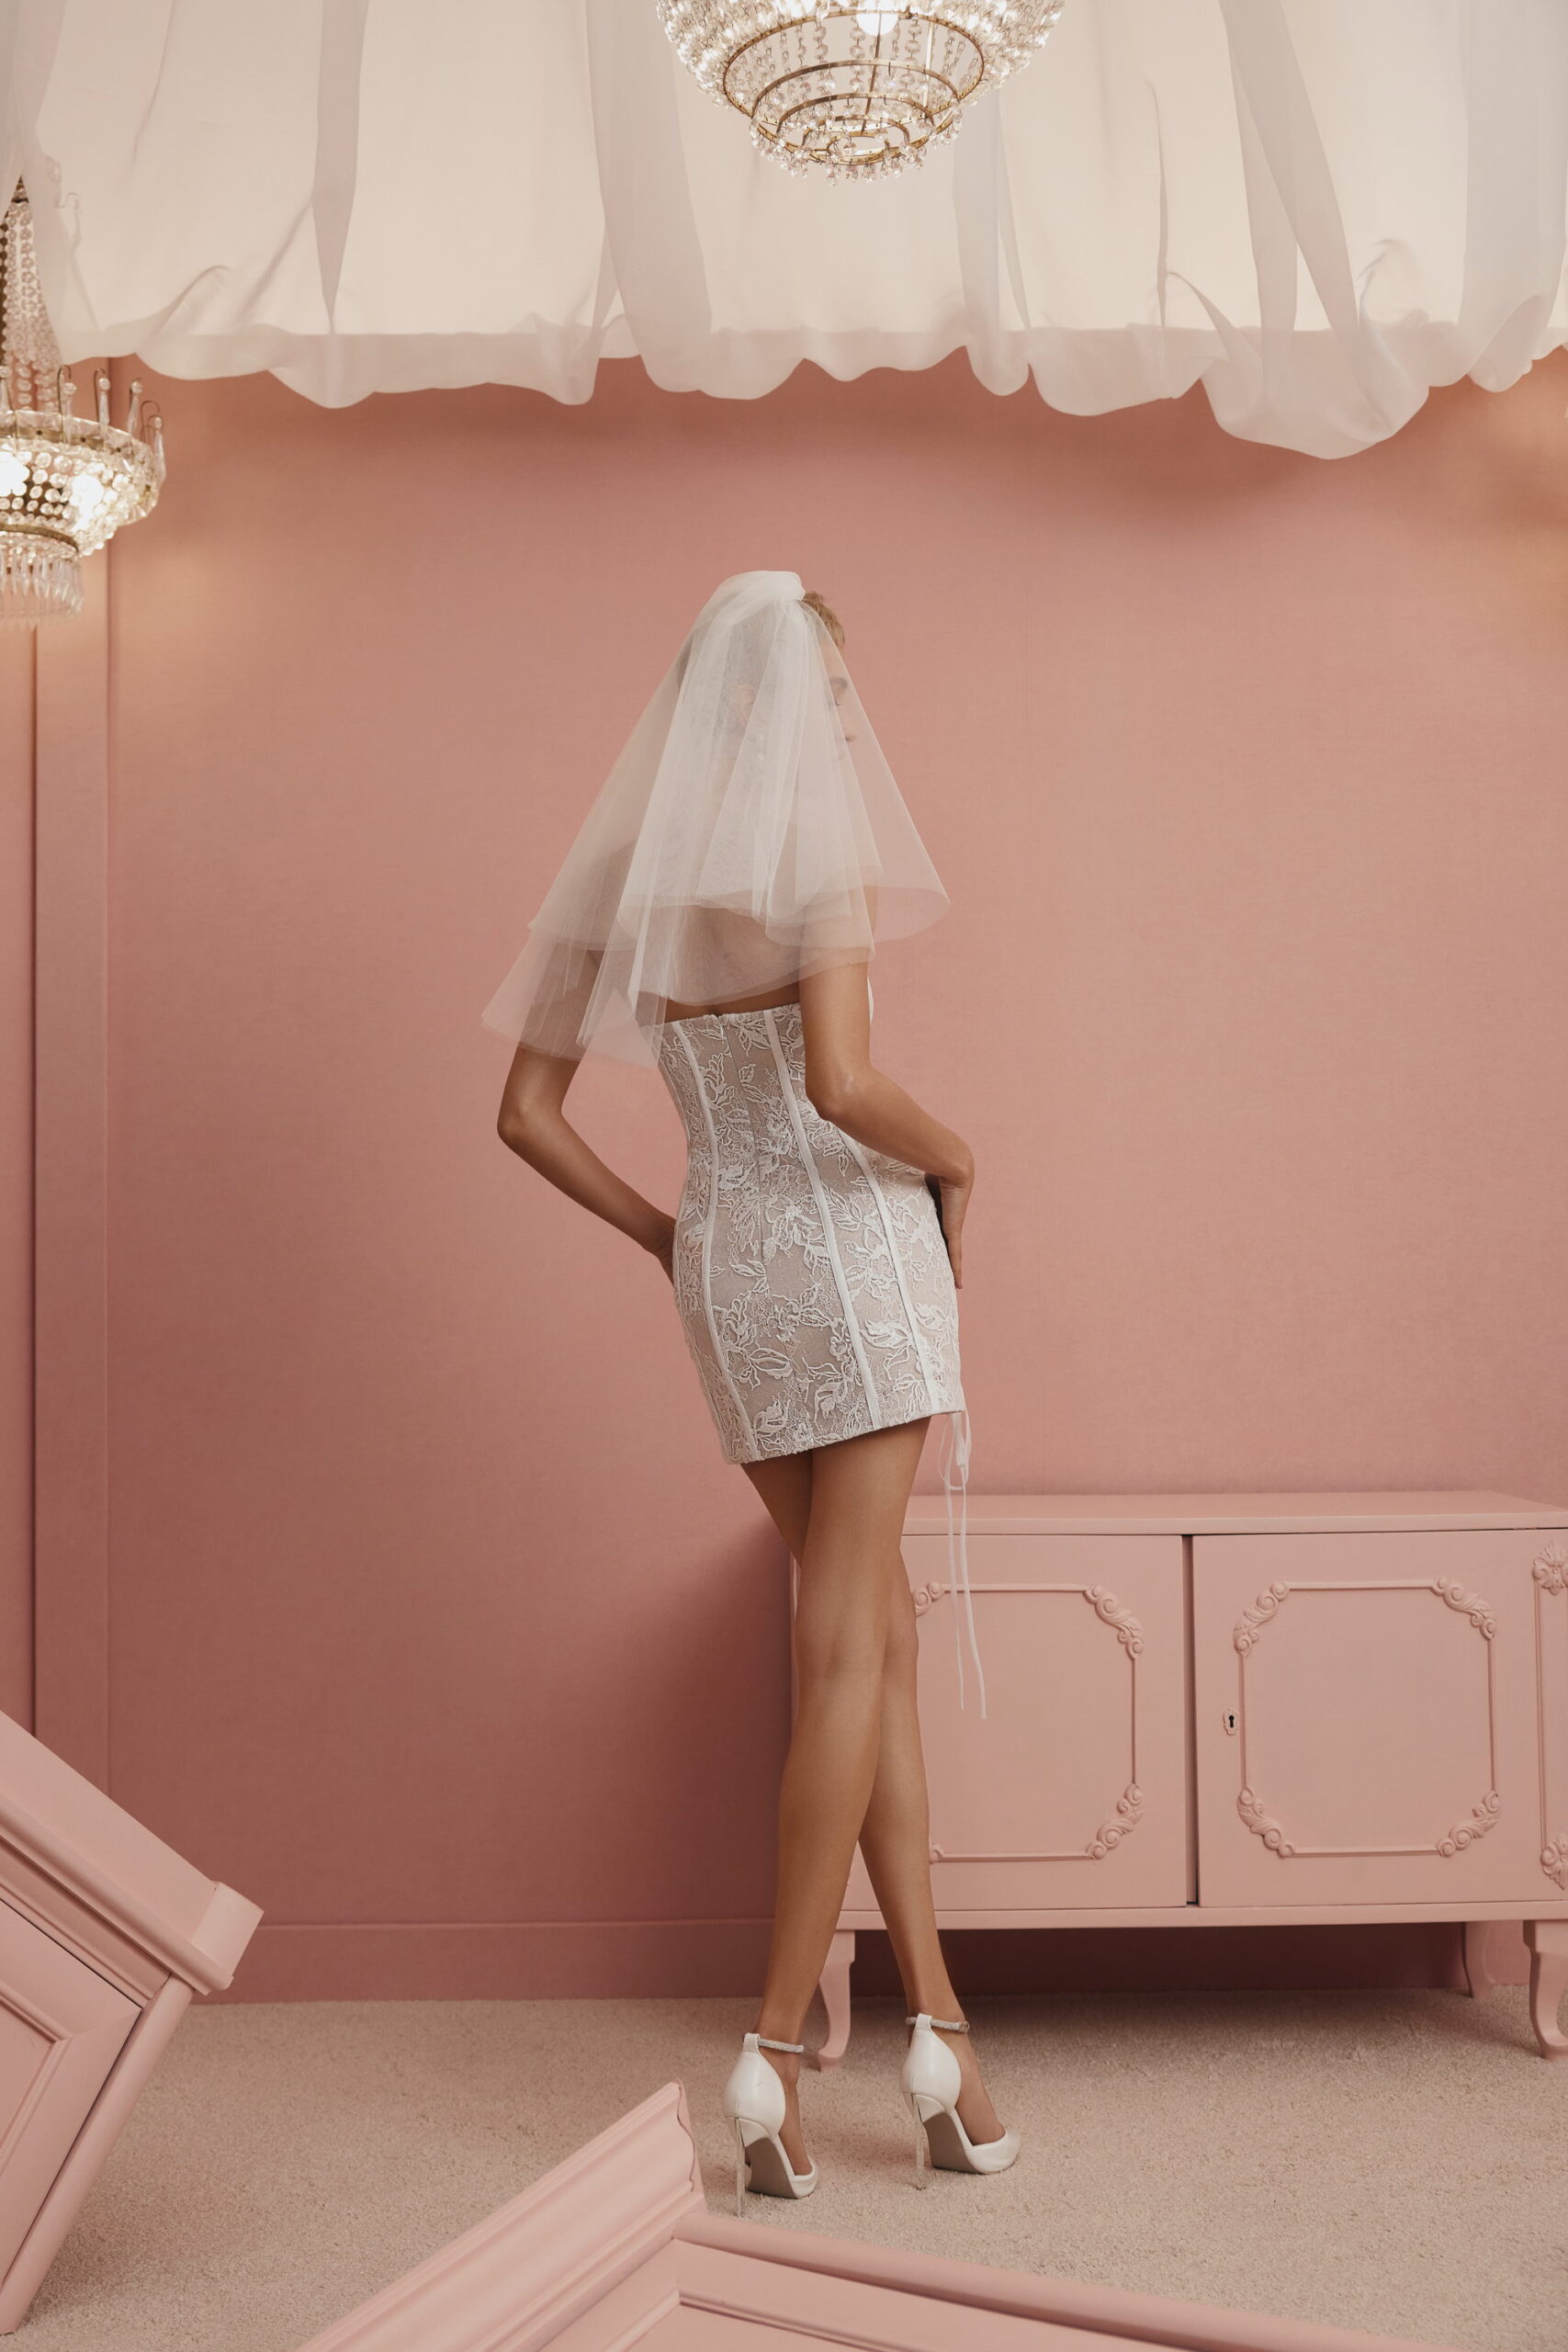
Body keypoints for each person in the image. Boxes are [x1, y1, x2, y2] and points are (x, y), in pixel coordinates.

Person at [483, 570, 1016, 2206]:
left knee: (875, 1640)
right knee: (850, 1644)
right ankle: (774, 2050)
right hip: (855, 1262)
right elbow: (845, 1085)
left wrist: (668, 1234)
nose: (844, 727)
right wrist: (962, 1157)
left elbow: (524, 1114)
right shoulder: (817, 872)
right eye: (833, 698)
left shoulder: (624, 879)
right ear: (790, 705)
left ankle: (943, 2043)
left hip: (727, 1271)